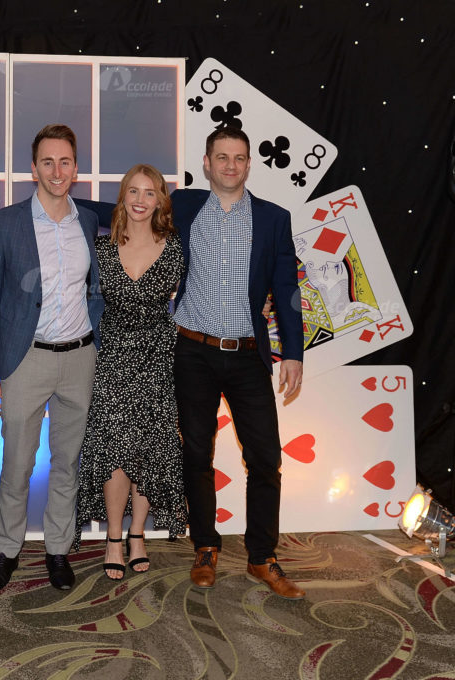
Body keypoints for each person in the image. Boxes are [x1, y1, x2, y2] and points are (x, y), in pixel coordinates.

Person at [173, 126, 305, 599]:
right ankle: (205, 547)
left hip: (249, 354)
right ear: (206, 163)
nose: (231, 165)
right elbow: (127, 211)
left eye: (239, 158)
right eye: (222, 157)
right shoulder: (183, 206)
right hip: (192, 350)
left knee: (266, 457)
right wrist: (66, 202)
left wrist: (293, 352)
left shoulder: (273, 218)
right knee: (196, 454)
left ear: (250, 164)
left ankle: (261, 556)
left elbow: (287, 291)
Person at [0, 124, 103, 593]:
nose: (56, 170)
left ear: (75, 167)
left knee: (67, 462)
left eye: (65, 161)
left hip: (79, 359)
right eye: (47, 161)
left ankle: (57, 550)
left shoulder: (86, 222)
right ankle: (7, 550)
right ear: (33, 168)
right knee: (17, 464)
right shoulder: (4, 222)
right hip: (23, 360)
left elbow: (96, 291)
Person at [73, 164, 187, 580]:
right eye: (133, 192)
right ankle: (114, 537)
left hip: (159, 357)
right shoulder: (101, 249)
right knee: (114, 450)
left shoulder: (175, 247)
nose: (140, 200)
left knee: (150, 449)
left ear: (160, 200)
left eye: (149, 192)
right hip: (114, 355)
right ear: (122, 198)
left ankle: (138, 533)